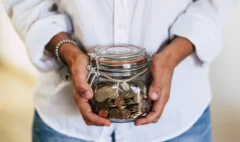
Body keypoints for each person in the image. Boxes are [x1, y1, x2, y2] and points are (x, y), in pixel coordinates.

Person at [4, 0, 235, 142]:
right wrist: (69, 53)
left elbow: (216, 4)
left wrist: (173, 54)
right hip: (65, 119)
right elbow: (26, 2)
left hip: (179, 119)